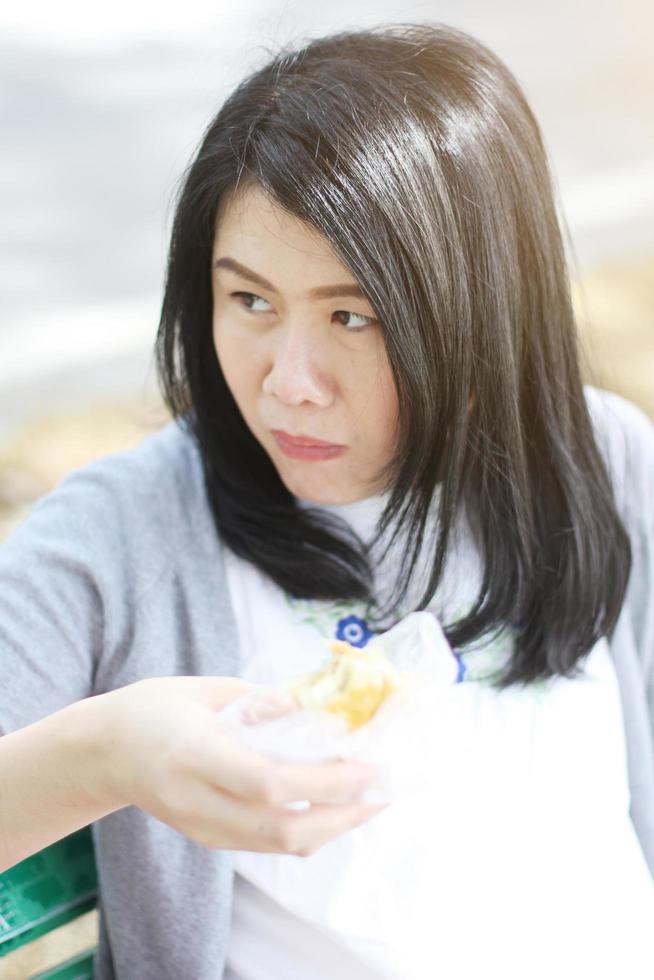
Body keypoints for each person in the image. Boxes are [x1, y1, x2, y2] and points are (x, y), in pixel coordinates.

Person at [1, 20, 653, 980]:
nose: (288, 382)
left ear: (479, 311)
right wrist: (109, 754)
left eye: (352, 317)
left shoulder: (603, 461)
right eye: (250, 302)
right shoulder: (123, 535)